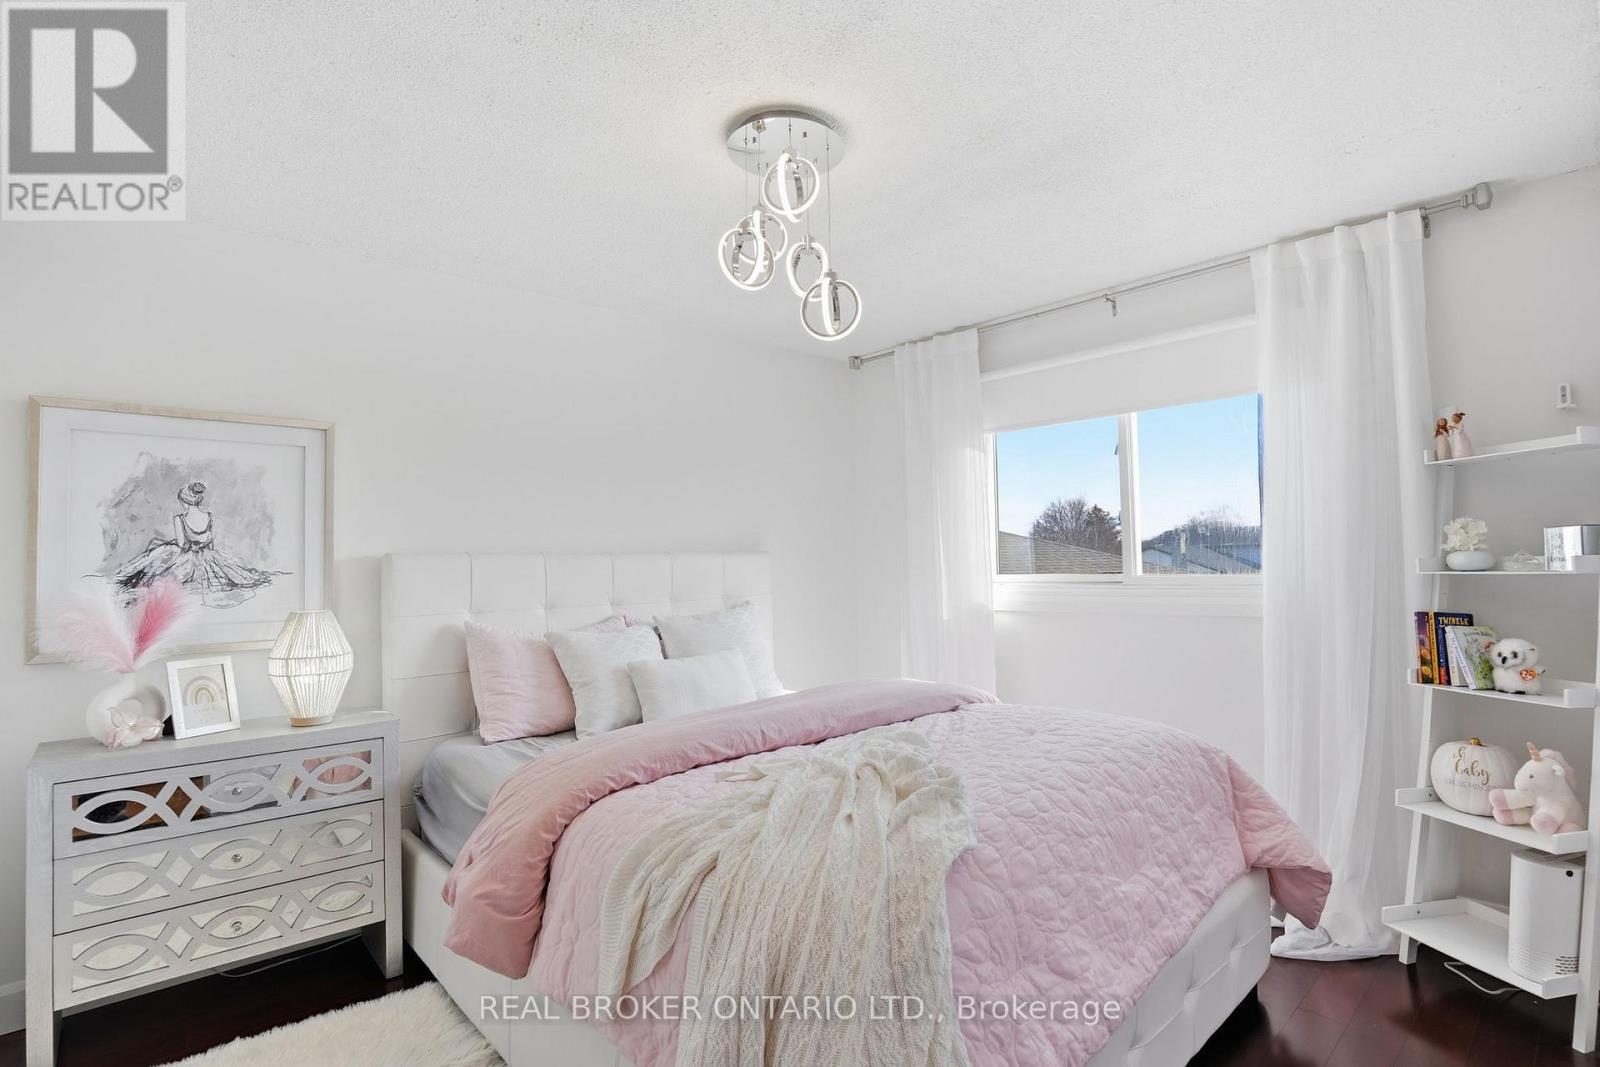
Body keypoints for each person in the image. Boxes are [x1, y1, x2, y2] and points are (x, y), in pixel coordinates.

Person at [114, 481, 276, 607]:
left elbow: (182, 544)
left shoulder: (180, 519)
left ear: (184, 502)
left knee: (157, 555)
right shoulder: (209, 516)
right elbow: (211, 543)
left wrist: (171, 545)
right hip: (208, 555)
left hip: (187, 556)